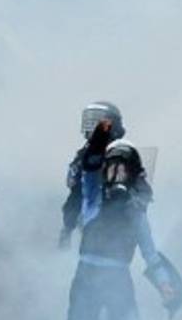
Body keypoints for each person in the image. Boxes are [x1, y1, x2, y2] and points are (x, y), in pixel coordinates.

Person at [65, 138, 177, 320]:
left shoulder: (135, 211)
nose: (116, 174)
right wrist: (97, 140)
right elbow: (89, 170)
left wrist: (164, 283)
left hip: (117, 279)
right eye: (112, 167)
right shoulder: (93, 198)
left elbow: (150, 252)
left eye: (122, 169)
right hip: (86, 276)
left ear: (132, 174)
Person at [60, 102, 140, 247]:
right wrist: (67, 227)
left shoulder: (120, 153)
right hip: (90, 220)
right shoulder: (84, 154)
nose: (92, 128)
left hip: (115, 220)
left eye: (98, 123)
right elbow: (74, 193)